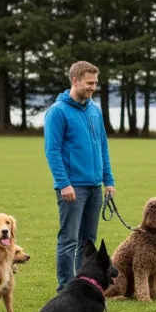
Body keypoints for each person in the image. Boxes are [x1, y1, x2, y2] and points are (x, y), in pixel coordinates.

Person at [44, 61, 116, 291]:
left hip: (95, 187)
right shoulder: (58, 111)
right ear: (75, 81)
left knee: (88, 241)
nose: (93, 87)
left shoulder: (94, 110)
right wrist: (64, 183)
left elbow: (102, 146)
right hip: (73, 187)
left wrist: (109, 180)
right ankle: (66, 288)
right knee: (68, 240)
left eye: (95, 83)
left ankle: (84, 284)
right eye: (89, 83)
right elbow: (52, 150)